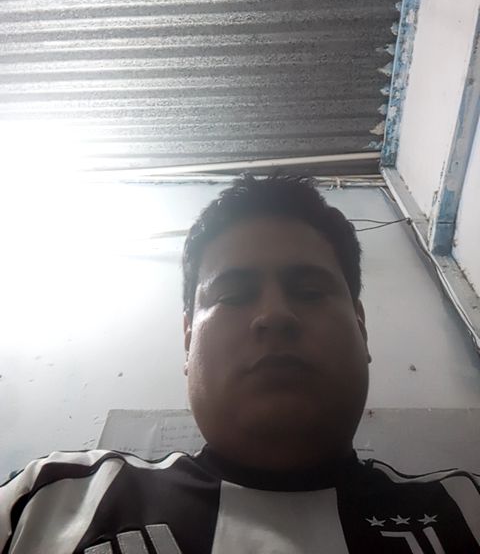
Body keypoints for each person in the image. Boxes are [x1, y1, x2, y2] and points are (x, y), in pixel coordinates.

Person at [1, 174, 479, 554]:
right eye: (233, 295)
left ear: (361, 326)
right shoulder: (46, 500)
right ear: (188, 339)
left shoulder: (469, 509)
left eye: (310, 292)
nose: (275, 316)